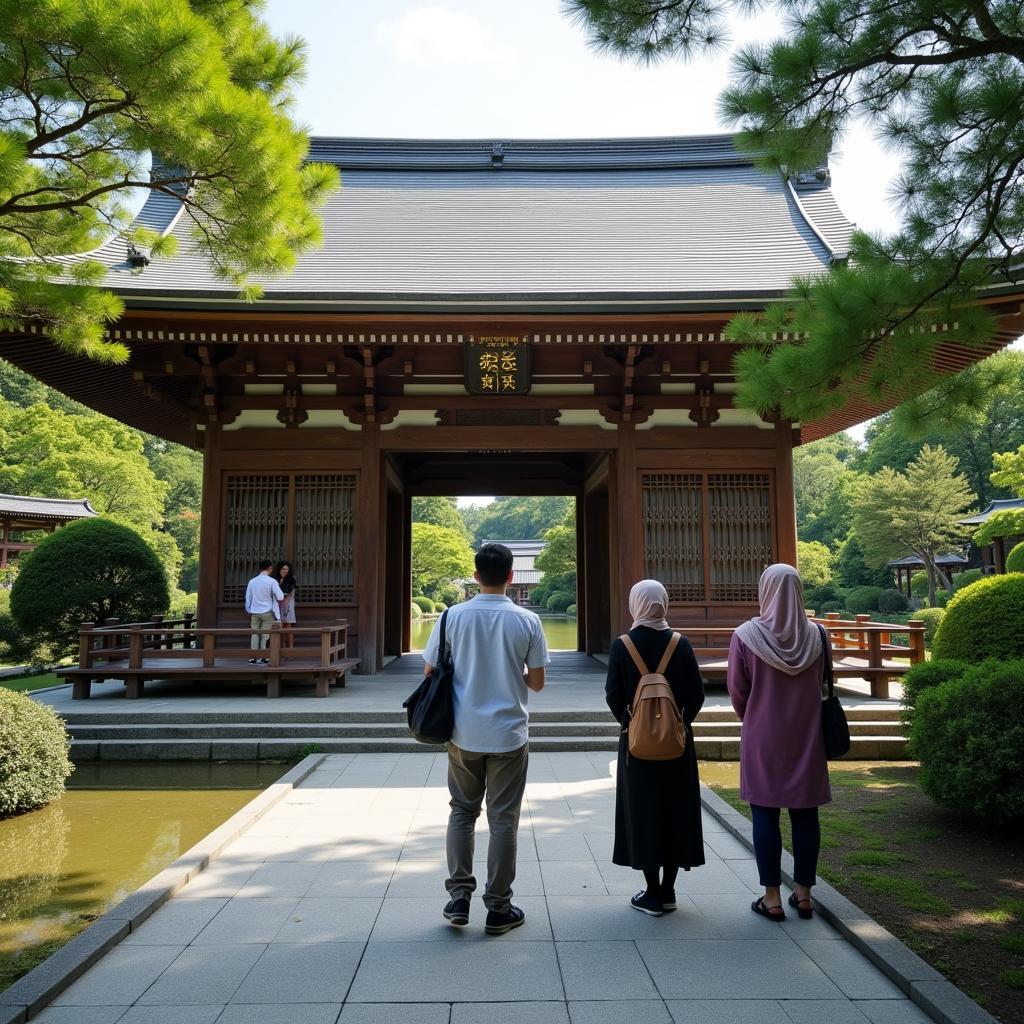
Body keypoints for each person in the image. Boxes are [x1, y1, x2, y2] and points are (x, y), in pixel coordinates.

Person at [422, 542, 549, 935]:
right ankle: (498, 907)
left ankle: (459, 897)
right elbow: (538, 683)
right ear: (512, 576)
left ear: (475, 576)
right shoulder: (528, 621)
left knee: (462, 812)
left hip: (462, 732)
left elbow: (429, 672)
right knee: (503, 820)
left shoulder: (451, 617)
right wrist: (511, 673)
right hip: (508, 734)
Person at [727, 563, 831, 923]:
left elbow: (738, 693)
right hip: (807, 734)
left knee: (764, 814)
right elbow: (824, 683)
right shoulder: (818, 635)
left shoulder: (746, 635)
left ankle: (771, 897)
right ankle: (804, 894)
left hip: (763, 735)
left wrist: (756, 715)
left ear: (765, 591)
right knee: (806, 815)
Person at [605, 579, 706, 916]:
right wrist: (678, 723)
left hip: (637, 748)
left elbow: (613, 694)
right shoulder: (681, 643)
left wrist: (632, 723)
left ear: (635, 604)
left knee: (643, 812)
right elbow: (696, 695)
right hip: (677, 746)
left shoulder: (622, 646)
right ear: (663, 602)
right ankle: (669, 890)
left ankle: (651, 892)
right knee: (676, 812)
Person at [244, 559, 284, 664]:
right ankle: (263, 656)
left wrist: (249, 609)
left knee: (254, 633)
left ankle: (253, 657)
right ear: (270, 568)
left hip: (255, 612)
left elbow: (248, 597)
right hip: (267, 611)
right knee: (265, 634)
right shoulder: (271, 581)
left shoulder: (252, 581)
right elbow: (280, 597)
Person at [272, 561, 297, 649]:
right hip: (276, 605)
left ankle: (290, 648)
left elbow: (288, 593)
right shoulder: (274, 579)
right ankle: (280, 648)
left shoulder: (291, 580)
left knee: (288, 627)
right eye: (283, 569)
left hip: (288, 605)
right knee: (279, 627)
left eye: (286, 569)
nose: (284, 571)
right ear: (279, 569)